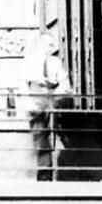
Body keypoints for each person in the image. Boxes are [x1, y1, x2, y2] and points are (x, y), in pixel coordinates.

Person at [22, 32, 72, 180]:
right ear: (39, 44)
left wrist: (56, 96)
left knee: (53, 138)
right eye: (48, 44)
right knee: (40, 138)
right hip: (35, 100)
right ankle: (45, 176)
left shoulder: (54, 62)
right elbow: (22, 83)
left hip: (51, 100)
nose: (51, 48)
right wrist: (28, 102)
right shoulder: (29, 61)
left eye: (52, 45)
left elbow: (65, 84)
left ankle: (53, 175)